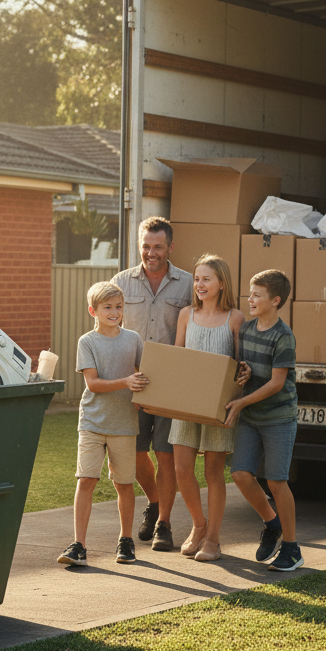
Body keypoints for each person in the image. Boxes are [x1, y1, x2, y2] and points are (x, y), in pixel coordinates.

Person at [111, 216, 192, 551]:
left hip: (171, 382)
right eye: (146, 246)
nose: (151, 252)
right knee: (134, 450)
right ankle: (155, 501)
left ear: (170, 247)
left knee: (166, 453)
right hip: (133, 379)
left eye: (158, 246)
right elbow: (110, 324)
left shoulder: (188, 284)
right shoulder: (121, 282)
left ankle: (164, 524)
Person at [57, 281, 148, 567]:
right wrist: (126, 382)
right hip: (93, 423)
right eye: (107, 307)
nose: (114, 312)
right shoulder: (87, 342)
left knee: (124, 484)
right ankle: (79, 545)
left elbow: (147, 374)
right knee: (86, 480)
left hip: (124, 424)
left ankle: (126, 540)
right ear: (92, 310)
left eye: (119, 307)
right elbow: (93, 384)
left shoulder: (133, 339)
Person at [224, 269, 303, 571]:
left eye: (257, 295)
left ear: (276, 300)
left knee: (276, 480)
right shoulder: (246, 329)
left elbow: (276, 383)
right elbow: (248, 368)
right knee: (241, 474)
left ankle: (292, 549)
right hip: (252, 417)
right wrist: (243, 373)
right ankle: (272, 524)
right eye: (250, 293)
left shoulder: (283, 336)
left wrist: (241, 402)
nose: (250, 299)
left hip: (278, 419)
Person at [169, 253, 244, 562]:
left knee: (213, 472)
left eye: (206, 279)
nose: (199, 284)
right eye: (196, 278)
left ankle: (213, 538)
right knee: (182, 469)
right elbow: (177, 358)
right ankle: (198, 525)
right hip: (186, 403)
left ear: (222, 283)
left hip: (218, 407)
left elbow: (240, 368)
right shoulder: (186, 314)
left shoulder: (236, 318)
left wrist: (238, 396)